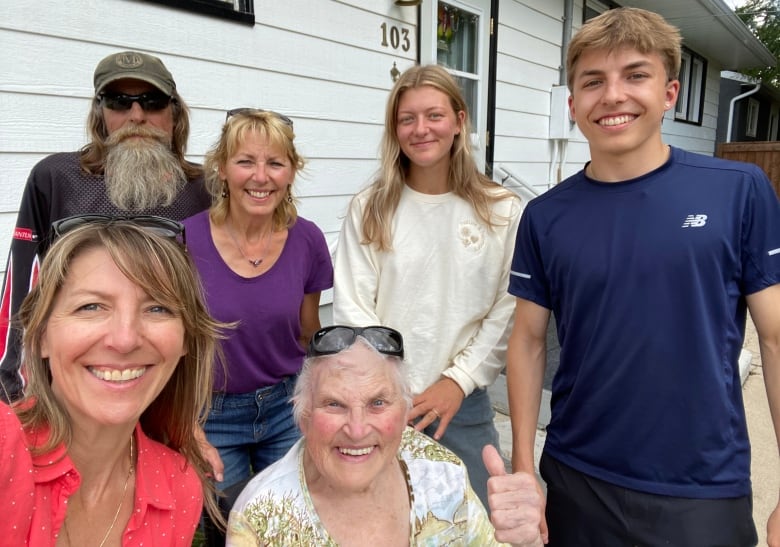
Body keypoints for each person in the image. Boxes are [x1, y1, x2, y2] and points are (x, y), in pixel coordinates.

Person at [505, 7, 780, 546]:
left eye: (635, 75)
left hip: (701, 486)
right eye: (593, 82)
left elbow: (773, 338)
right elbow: (527, 340)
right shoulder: (545, 216)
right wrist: (522, 469)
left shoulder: (737, 191)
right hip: (577, 474)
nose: (613, 95)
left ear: (671, 93)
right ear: (573, 104)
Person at [332, 64, 522, 508]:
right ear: (394, 129)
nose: (421, 130)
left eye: (434, 115)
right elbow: (354, 305)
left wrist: (457, 381)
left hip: (464, 405)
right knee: (383, 522)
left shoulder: (501, 211)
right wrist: (391, 386)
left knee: (472, 522)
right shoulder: (371, 207)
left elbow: (506, 310)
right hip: (382, 401)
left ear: (459, 122)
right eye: (407, 119)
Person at [0, 216, 226, 546]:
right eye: (91, 306)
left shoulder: (180, 488)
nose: (124, 339)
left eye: (158, 308)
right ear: (40, 336)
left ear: (185, 341)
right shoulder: (5, 447)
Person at [0, 50, 210, 403]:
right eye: (119, 102)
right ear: (100, 115)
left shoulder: (202, 188)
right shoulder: (55, 179)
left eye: (153, 102)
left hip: (168, 383)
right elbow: (23, 287)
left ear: (175, 114)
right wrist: (14, 391)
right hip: (78, 381)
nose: (137, 116)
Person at [183, 108, 333, 545]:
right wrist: (187, 426)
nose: (260, 176)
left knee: (289, 524)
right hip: (212, 413)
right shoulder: (185, 239)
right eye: (246, 161)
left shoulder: (308, 240)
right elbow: (174, 344)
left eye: (275, 163)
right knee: (228, 529)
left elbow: (309, 331)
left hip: (284, 406)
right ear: (222, 168)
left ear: (291, 172)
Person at [226, 325, 522, 546]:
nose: (357, 430)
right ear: (303, 417)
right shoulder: (260, 520)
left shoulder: (441, 472)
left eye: (377, 403)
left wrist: (527, 541)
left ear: (405, 410)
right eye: (334, 404)